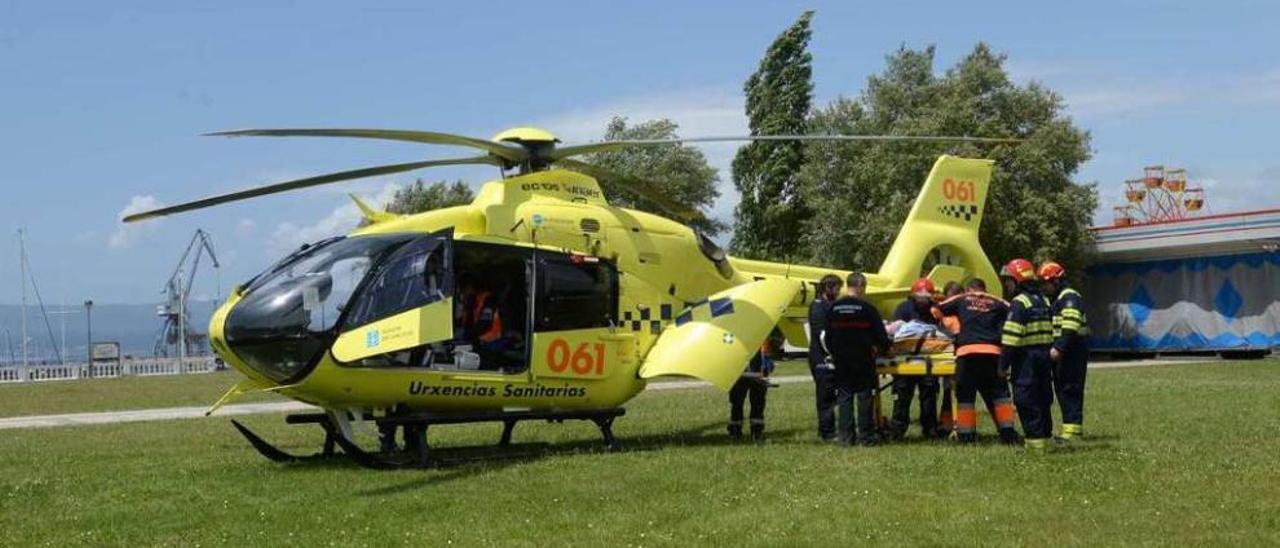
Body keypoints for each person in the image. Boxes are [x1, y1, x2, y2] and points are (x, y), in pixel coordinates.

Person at [934, 278, 1020, 444]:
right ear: (984, 289)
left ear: (968, 289)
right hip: (992, 353)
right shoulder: (996, 301)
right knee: (999, 396)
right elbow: (1013, 312)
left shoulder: (962, 299)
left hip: (967, 354)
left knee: (965, 396)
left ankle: (966, 436)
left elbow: (937, 310)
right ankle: (1008, 434)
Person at [823, 273, 891, 445]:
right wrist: (884, 349)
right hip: (863, 358)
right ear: (860, 285)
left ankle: (846, 438)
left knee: (844, 396)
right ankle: (866, 437)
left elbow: (827, 337)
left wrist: (836, 352)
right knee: (864, 396)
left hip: (841, 359)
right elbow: (881, 336)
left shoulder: (833, 308)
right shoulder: (867, 308)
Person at [1000, 259, 1057, 451]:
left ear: (1017, 281)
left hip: (1026, 359)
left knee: (1026, 399)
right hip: (1044, 355)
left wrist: (1002, 365)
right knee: (1043, 399)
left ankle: (1034, 444)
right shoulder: (1044, 300)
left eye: (1008, 280)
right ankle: (1046, 439)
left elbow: (1011, 338)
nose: (1006, 285)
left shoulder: (1019, 303)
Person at [1039, 261, 1090, 440]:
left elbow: (1070, 325)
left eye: (1046, 283)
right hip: (1063, 351)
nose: (1044, 287)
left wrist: (1058, 348)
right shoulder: (1056, 299)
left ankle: (1072, 432)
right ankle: (1070, 430)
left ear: (1057, 281)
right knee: (1062, 389)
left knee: (1070, 389)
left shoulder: (1069, 297)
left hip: (1072, 350)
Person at [888, 277, 941, 439]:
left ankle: (930, 429)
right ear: (913, 296)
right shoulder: (903, 308)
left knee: (929, 396)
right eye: (920, 297)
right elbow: (894, 333)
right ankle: (897, 430)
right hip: (905, 361)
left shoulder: (935, 311)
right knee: (902, 396)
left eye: (926, 298)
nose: (923, 301)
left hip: (928, 361)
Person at [807, 274, 843, 441]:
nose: (838, 292)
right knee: (825, 395)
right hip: (821, 357)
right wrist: (834, 354)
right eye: (837, 288)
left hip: (831, 355)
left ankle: (830, 429)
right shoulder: (817, 307)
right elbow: (822, 335)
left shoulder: (831, 305)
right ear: (828, 287)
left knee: (833, 394)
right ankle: (827, 433)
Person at [728, 342, 775, 442]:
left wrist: (768, 362)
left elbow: (769, 346)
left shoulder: (762, 331)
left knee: (757, 403)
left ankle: (756, 431)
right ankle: (736, 430)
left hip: (757, 371)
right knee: (737, 402)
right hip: (739, 371)